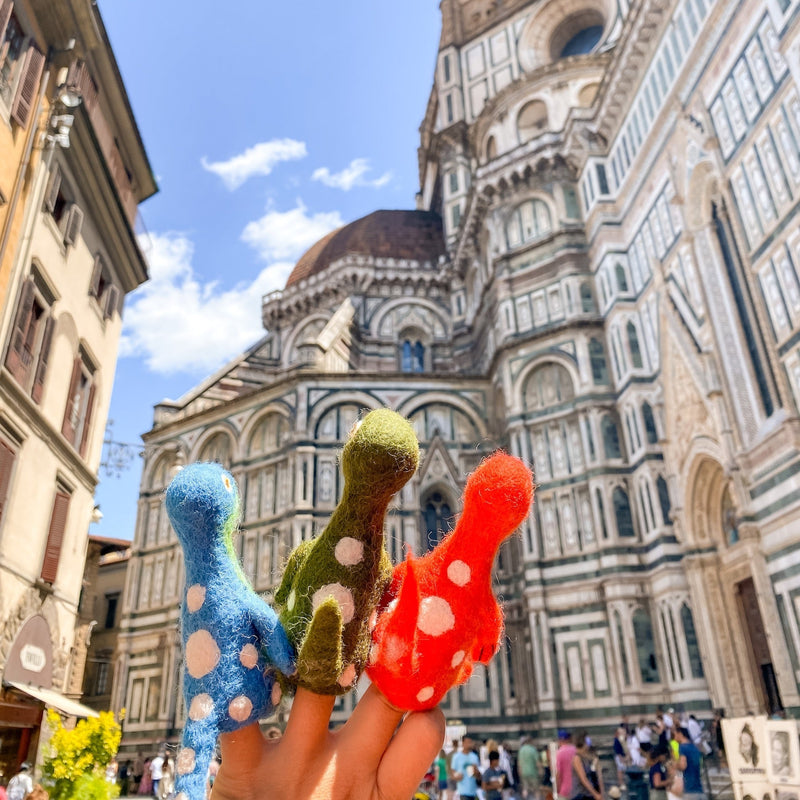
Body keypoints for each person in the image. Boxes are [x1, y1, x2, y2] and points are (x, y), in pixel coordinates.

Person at [675, 726, 705, 800]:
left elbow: (683, 766)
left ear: (680, 734)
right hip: (699, 789)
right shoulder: (694, 747)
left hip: (689, 789)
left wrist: (675, 765)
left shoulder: (682, 747)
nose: (674, 737)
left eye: (675, 734)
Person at [570, 733, 602, 800]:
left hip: (587, 794)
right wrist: (595, 794)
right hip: (580, 794)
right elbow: (583, 779)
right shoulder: (576, 758)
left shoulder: (584, 757)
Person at [518, 735, 541, 800]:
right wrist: (541, 770)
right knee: (536, 789)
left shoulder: (521, 750)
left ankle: (524, 798)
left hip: (524, 773)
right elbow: (537, 762)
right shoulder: (533, 749)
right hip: (533, 772)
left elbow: (519, 764)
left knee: (525, 789)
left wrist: (520, 772)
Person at [556, 730, 577, 800]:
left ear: (560, 740)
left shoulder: (559, 753)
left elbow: (559, 774)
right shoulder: (576, 750)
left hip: (565, 790)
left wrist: (557, 789)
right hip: (577, 790)